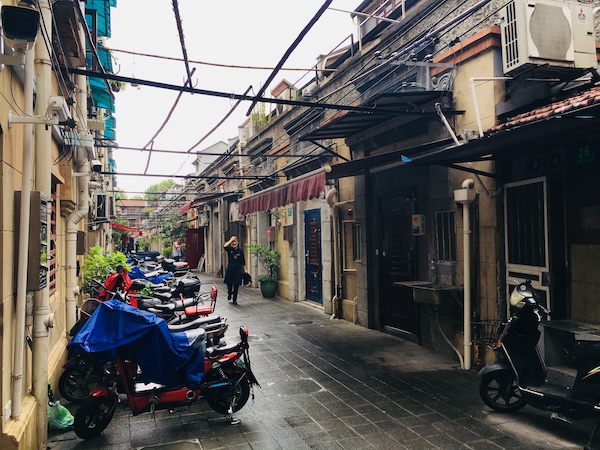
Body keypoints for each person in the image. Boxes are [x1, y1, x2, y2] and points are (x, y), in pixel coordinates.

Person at [224, 236, 246, 304]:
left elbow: (243, 261)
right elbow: (225, 246)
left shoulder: (240, 251)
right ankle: (230, 292)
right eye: (233, 242)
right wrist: (231, 240)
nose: (234, 243)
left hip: (238, 269)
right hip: (230, 268)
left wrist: (245, 269)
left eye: (235, 241)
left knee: (236, 284)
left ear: (238, 242)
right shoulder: (229, 249)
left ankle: (234, 299)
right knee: (229, 283)